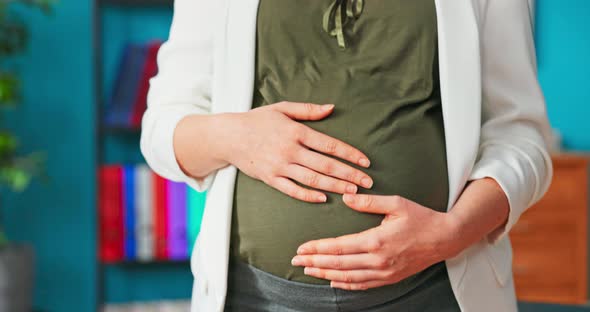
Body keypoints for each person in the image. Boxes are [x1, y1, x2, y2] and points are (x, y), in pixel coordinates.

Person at [140, 0, 553, 311]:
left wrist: (452, 232)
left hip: (435, 293)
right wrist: (235, 137)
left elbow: (521, 134)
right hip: (254, 298)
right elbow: (161, 131)